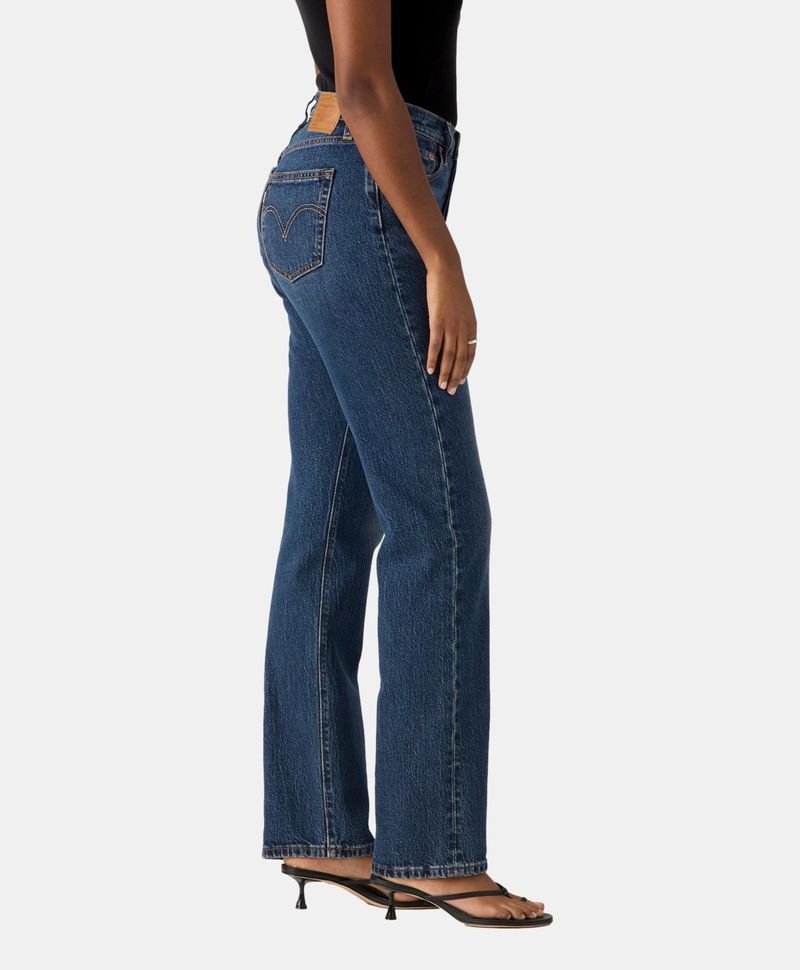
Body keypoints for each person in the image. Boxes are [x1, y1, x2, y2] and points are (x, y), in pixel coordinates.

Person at [256, 0, 551, 928]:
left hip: (331, 187)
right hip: (366, 191)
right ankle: (435, 850)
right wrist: (440, 254)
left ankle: (321, 828)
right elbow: (364, 79)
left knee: (329, 527)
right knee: (443, 522)